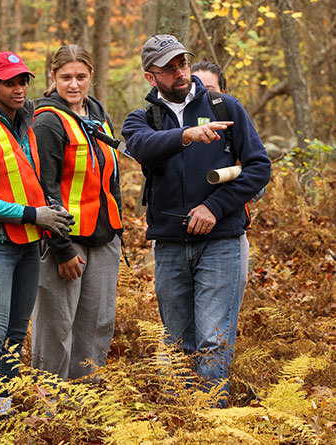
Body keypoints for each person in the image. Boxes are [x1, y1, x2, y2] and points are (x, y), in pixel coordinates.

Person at [122, 35, 271, 406]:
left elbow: (258, 168)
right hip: (170, 244)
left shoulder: (226, 107)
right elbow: (141, 147)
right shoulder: (142, 119)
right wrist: (185, 135)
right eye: (168, 68)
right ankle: (181, 419)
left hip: (221, 241)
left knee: (213, 339)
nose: (179, 72)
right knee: (178, 342)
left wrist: (215, 207)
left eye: (183, 64)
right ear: (150, 76)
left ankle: (212, 422)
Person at [0, 51, 73, 434]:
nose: (19, 88)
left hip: (26, 245)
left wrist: (48, 209)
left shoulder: (25, 125)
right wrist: (33, 215)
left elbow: (26, 183)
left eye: (23, 81)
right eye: (10, 82)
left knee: (13, 340)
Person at [31, 44, 123, 380]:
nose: (73, 84)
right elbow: (44, 188)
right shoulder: (47, 121)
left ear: (91, 77)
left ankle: (85, 400)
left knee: (98, 323)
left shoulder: (97, 113)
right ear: (53, 77)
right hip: (67, 243)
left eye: (80, 77)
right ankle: (48, 404)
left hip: (104, 238)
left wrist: (118, 227)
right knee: (56, 325)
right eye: (66, 77)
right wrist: (62, 247)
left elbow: (110, 177)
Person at [191, 59, 265, 308]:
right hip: (178, 236)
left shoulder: (233, 119)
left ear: (223, 91)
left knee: (219, 318)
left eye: (209, 89)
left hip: (227, 233)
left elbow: (258, 180)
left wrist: (215, 204)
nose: (203, 95)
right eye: (197, 87)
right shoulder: (177, 125)